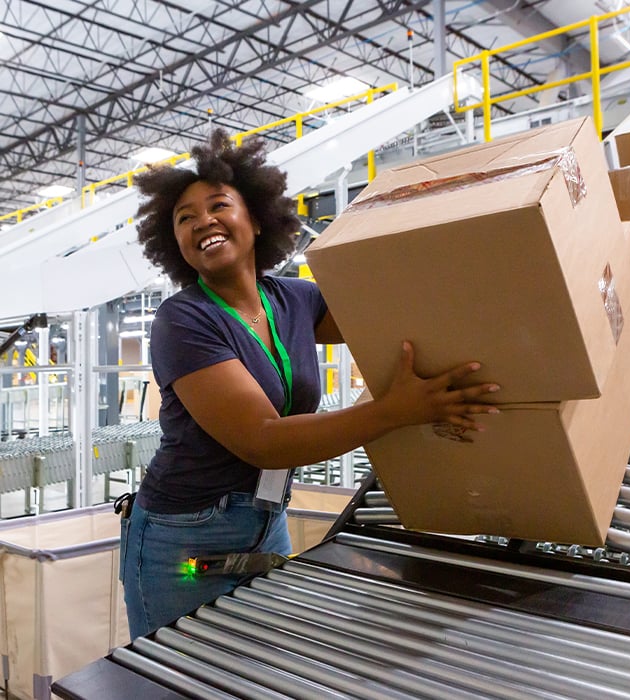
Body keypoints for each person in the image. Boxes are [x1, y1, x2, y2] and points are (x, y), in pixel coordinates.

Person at [119, 128, 500, 639]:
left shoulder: (295, 300)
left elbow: (395, 319)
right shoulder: (182, 321)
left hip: (267, 518)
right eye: (184, 219)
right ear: (175, 246)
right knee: (178, 678)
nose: (202, 222)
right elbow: (262, 439)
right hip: (185, 544)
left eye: (217, 206)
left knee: (254, 671)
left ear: (255, 219)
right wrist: (397, 410)